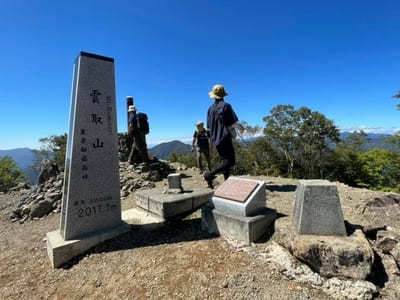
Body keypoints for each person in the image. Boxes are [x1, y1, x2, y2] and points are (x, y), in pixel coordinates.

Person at [203, 84, 240, 187]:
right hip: (224, 137)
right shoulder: (226, 106)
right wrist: (238, 129)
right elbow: (231, 122)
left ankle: (227, 182)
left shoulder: (210, 109)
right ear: (223, 95)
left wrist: (211, 140)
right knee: (231, 162)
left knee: (225, 161)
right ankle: (210, 175)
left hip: (215, 139)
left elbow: (208, 127)